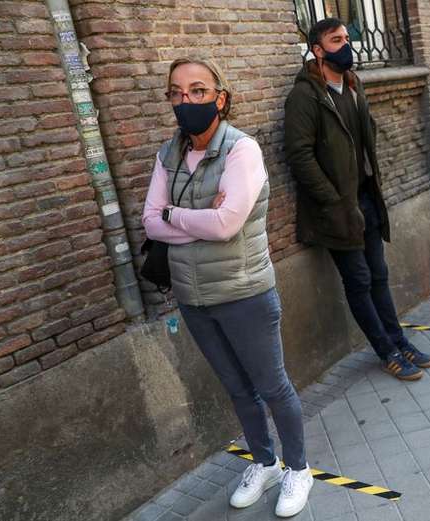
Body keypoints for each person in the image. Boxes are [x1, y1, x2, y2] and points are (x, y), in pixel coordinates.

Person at [142, 58, 312, 517]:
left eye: (197, 91)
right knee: (237, 388)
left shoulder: (242, 150)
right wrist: (194, 219)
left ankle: (298, 468)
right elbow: (148, 223)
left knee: (272, 386)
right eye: (176, 93)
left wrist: (175, 215)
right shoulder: (168, 155)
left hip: (244, 292)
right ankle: (265, 462)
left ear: (220, 97)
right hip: (193, 296)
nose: (186, 101)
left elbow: (226, 225)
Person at [284, 19, 430, 381]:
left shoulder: (353, 84)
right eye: (336, 40)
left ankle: (399, 340)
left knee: (379, 275)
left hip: (366, 197)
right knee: (360, 281)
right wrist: (334, 201)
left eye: (347, 38)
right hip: (337, 209)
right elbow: (299, 155)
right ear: (318, 50)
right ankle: (386, 351)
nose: (345, 45)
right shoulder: (305, 96)